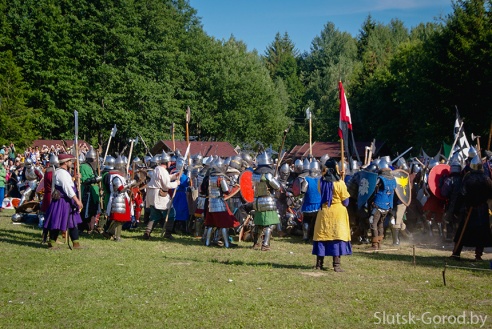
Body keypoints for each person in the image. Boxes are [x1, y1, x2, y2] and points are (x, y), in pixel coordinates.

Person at [312, 159, 352, 272]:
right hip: (338, 213)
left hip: (324, 211)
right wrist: (341, 182)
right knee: (336, 237)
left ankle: (319, 264)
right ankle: (336, 265)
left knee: (322, 237)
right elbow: (346, 202)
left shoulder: (321, 182)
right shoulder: (340, 184)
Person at [450, 155, 492, 261]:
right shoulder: (486, 179)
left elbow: (461, 195)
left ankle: (456, 253)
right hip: (481, 209)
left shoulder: (468, 177)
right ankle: (478, 255)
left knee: (463, 232)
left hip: (469, 209)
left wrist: (456, 209)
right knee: (480, 232)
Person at [43, 153, 84, 249]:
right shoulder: (61, 173)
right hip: (61, 201)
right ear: (65, 162)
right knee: (56, 222)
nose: (71, 163)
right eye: (70, 161)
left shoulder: (64, 172)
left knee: (72, 221)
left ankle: (76, 244)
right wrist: (77, 201)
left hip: (67, 202)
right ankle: (52, 243)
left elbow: (69, 185)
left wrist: (75, 180)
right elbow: (67, 189)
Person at [143, 152, 180, 240]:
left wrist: (174, 176)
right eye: (169, 162)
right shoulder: (162, 170)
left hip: (153, 194)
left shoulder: (157, 169)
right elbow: (167, 184)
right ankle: (167, 233)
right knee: (171, 213)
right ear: (167, 162)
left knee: (155, 215)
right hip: (159, 194)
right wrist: (176, 183)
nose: (170, 163)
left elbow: (165, 178)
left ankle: (147, 233)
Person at [251, 152, 281, 251]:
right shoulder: (268, 175)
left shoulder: (254, 175)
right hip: (267, 201)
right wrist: (275, 179)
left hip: (257, 201)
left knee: (259, 223)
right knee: (270, 224)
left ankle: (256, 243)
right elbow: (277, 187)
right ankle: (265, 244)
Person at [369, 159, 397, 250]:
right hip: (388, 205)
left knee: (373, 224)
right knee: (380, 224)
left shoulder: (380, 178)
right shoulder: (393, 179)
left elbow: (373, 188)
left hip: (378, 203)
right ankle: (380, 243)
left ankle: (375, 244)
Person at [105, 156, 134, 241]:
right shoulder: (116, 177)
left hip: (122, 199)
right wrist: (130, 184)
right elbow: (120, 188)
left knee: (121, 219)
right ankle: (116, 236)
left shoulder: (119, 176)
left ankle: (109, 232)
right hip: (118, 199)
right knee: (119, 219)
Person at [79, 147, 102, 234]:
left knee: (93, 211)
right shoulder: (83, 166)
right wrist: (95, 179)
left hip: (94, 192)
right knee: (85, 210)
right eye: (95, 159)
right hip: (87, 192)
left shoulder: (93, 167)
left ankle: (91, 228)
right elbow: (85, 180)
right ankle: (81, 227)